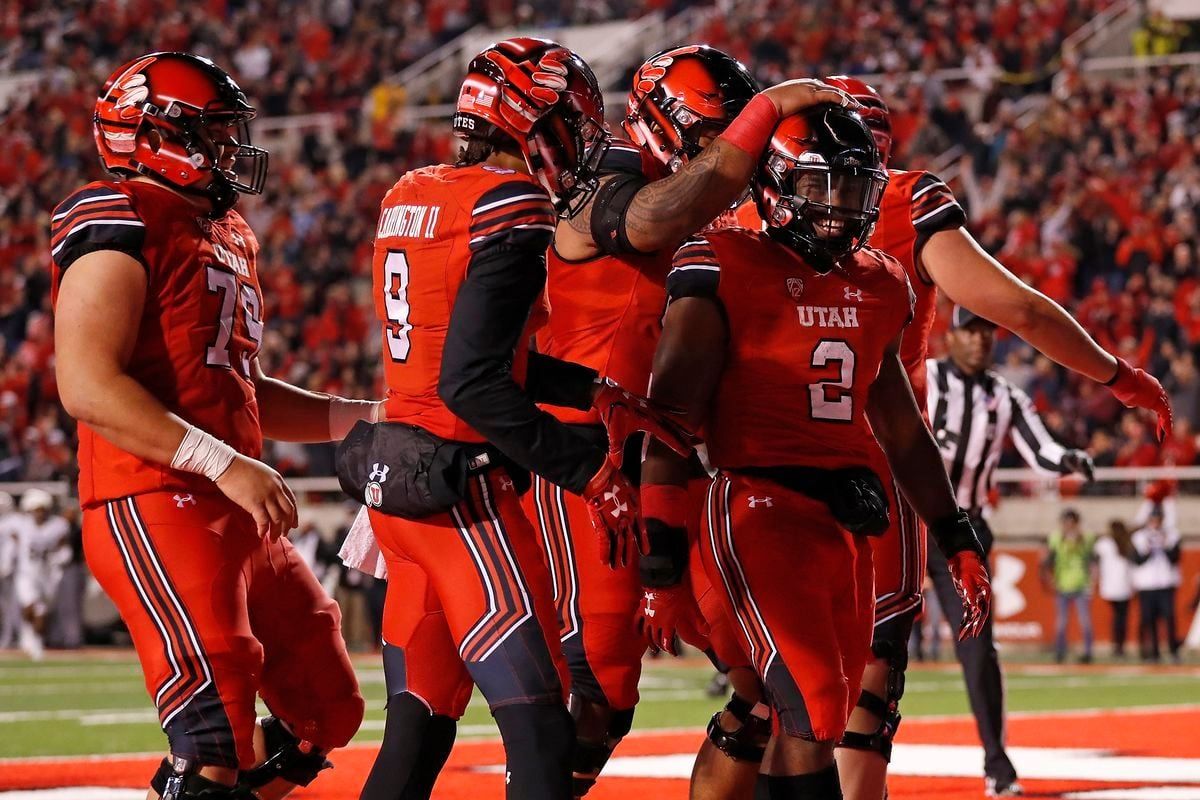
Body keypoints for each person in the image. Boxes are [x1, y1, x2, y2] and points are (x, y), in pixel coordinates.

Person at [735, 76, 1170, 800]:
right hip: (875, 464)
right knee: (869, 683)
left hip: (754, 471)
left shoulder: (742, 212)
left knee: (763, 692)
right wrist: (1116, 374)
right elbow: (1018, 310)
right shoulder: (900, 208)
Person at [350, 38, 702, 800]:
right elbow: (473, 383)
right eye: (571, 122)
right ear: (533, 124)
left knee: (417, 729)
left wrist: (595, 392)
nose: (582, 141)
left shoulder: (412, 190)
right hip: (460, 489)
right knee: (543, 729)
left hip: (397, 484)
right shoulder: (507, 203)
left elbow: (478, 354)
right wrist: (589, 470)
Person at [639, 103, 991, 800]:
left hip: (845, 522)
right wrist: (660, 556)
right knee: (815, 707)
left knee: (803, 716)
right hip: (757, 505)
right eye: (819, 188)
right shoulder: (724, 261)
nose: (838, 210)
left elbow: (901, 426)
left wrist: (956, 533)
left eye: (854, 191)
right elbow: (670, 417)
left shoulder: (879, 281)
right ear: (773, 187)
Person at [51, 52, 372, 799]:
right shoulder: (118, 214)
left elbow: (243, 389)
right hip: (157, 495)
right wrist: (223, 461)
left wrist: (363, 420)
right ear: (154, 134)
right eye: (212, 133)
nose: (229, 150)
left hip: (236, 505)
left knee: (327, 708)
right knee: (212, 733)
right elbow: (87, 383)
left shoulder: (221, 229)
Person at [530, 44, 769, 797]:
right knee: (601, 688)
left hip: (668, 462)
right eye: (716, 136)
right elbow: (649, 223)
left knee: (760, 673)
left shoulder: (715, 213)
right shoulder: (614, 178)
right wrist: (774, 108)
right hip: (583, 461)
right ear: (667, 126)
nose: (731, 156)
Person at [926, 306, 1097, 794]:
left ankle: (998, 765)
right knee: (876, 643)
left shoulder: (1005, 396)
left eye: (986, 332)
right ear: (951, 337)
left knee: (979, 652)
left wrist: (1066, 457)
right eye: (970, 331)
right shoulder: (925, 378)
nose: (979, 341)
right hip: (906, 523)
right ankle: (845, 752)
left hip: (965, 531)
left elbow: (1038, 448)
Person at [10, 489, 70, 660]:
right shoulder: (20, 524)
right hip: (25, 574)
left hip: (47, 575)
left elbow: (63, 548)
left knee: (40, 612)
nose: (40, 513)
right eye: (36, 509)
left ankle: (36, 642)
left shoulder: (57, 525)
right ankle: (31, 640)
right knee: (30, 608)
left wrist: (60, 558)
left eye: (42, 509)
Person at [1040, 509, 1097, 663]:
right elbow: (1047, 561)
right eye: (1066, 523)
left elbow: (1092, 560)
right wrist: (1049, 579)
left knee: (1085, 621)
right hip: (1062, 585)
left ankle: (1088, 652)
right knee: (1061, 622)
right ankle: (1060, 651)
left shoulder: (1086, 538)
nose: (1069, 526)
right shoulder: (1056, 538)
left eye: (1072, 523)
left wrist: (1093, 580)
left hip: (1081, 584)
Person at [1130, 503, 1183, 662]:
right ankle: (1154, 652)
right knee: (1149, 618)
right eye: (1153, 518)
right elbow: (1137, 560)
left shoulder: (1172, 535)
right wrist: (1148, 549)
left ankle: (1173, 650)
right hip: (1147, 584)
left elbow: (1175, 558)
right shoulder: (1139, 537)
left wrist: (1165, 544)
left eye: (1158, 519)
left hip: (1166, 582)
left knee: (1169, 617)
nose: (1155, 522)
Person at [1094, 519, 1136, 657]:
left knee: (1117, 618)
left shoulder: (1105, 543)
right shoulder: (1127, 543)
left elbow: (1094, 557)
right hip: (1124, 585)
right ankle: (1120, 646)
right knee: (1121, 618)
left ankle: (1116, 645)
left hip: (1111, 585)